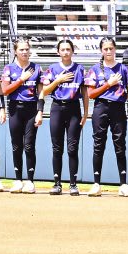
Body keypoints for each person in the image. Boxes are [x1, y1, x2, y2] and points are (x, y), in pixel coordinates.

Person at [82, 37, 128, 196]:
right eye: (106, 49)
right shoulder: (95, 69)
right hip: (101, 107)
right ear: (101, 51)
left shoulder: (123, 69)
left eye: (111, 48)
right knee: (98, 144)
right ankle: (96, 183)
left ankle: (123, 184)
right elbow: (91, 93)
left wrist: (118, 94)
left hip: (118, 108)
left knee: (120, 144)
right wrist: (108, 84)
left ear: (115, 49)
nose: (109, 51)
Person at [39, 37, 85, 194]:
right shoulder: (52, 69)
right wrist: (58, 80)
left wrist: (86, 113)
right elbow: (44, 91)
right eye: (63, 49)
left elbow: (84, 93)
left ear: (72, 51)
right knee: (57, 148)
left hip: (73, 109)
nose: (66, 52)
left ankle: (73, 184)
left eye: (68, 49)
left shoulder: (79, 68)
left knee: (72, 148)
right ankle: (57, 183)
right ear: (58, 52)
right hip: (57, 108)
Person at [0, 38, 42, 193]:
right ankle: (18, 180)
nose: (25, 52)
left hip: (31, 109)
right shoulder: (9, 69)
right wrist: (21, 80)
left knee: (29, 145)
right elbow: (5, 90)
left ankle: (30, 181)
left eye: (26, 49)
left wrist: (40, 111)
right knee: (16, 145)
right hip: (15, 108)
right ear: (15, 51)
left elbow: (41, 92)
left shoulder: (36, 68)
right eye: (21, 49)